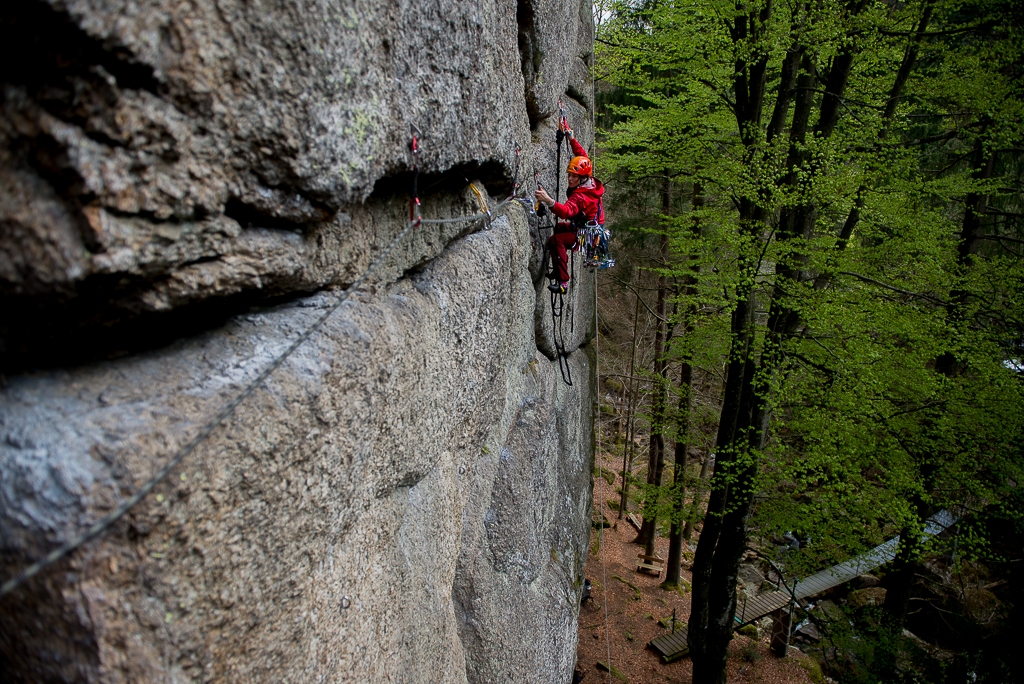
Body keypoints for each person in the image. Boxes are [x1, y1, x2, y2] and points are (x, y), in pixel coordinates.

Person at [534, 124, 605, 294]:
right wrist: (571, 137)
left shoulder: (581, 197)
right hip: (588, 229)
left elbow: (566, 211)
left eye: (574, 176)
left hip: (588, 237)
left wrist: (548, 200)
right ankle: (558, 269)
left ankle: (563, 283)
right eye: (569, 175)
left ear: (582, 178)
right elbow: (582, 155)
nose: (570, 179)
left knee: (555, 241)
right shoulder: (590, 182)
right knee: (558, 229)